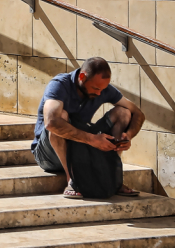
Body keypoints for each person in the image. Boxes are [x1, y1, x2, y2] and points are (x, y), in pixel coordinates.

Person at [32, 56, 146, 199]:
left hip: (81, 149)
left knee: (123, 113)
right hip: (49, 155)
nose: (99, 93)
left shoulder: (103, 89)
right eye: (95, 88)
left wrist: (128, 136)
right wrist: (92, 139)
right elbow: (51, 123)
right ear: (82, 77)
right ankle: (72, 181)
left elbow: (138, 113)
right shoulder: (59, 85)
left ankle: (113, 178)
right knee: (61, 116)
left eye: (102, 89)